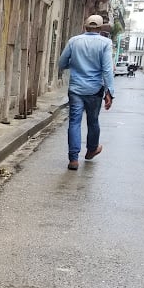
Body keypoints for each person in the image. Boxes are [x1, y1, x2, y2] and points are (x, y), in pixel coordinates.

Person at [57, 14, 115, 171]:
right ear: (100, 28)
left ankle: (73, 159)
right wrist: (110, 92)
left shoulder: (74, 41)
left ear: (85, 27)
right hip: (95, 89)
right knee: (93, 121)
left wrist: (74, 64)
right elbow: (107, 69)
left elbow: (62, 63)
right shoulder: (105, 43)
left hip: (76, 89)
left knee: (74, 122)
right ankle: (91, 150)